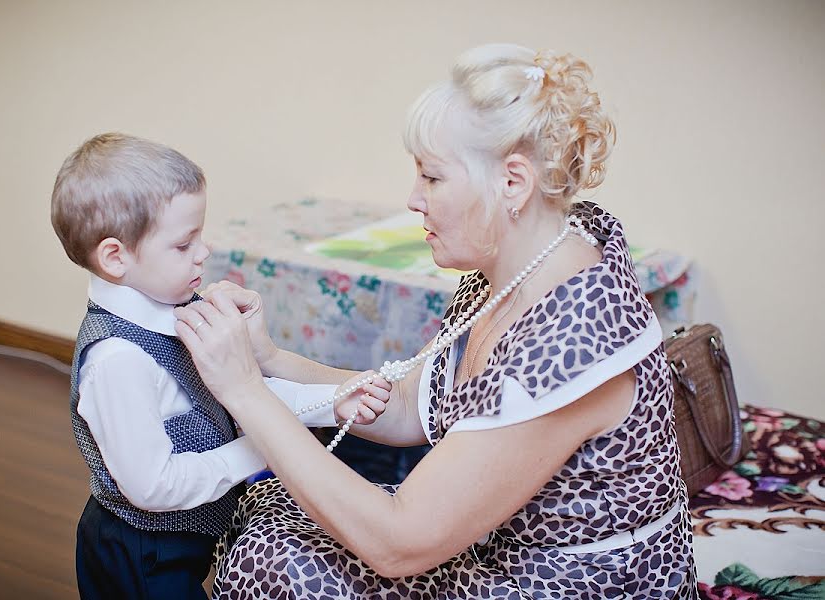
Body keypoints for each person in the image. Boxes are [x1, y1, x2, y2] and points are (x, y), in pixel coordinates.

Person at [175, 44, 697, 599]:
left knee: (277, 560)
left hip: (572, 583)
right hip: (510, 549)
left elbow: (399, 543)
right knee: (274, 511)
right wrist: (271, 360)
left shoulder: (574, 341)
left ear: (512, 183)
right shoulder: (515, 271)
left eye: (432, 178)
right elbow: (405, 407)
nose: (413, 200)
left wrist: (245, 391)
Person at [50, 132, 390, 600]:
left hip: (188, 538)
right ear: (115, 257)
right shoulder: (117, 362)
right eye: (183, 244)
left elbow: (242, 394)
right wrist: (265, 448)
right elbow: (153, 487)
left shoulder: (179, 308)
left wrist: (332, 402)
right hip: (141, 554)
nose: (204, 252)